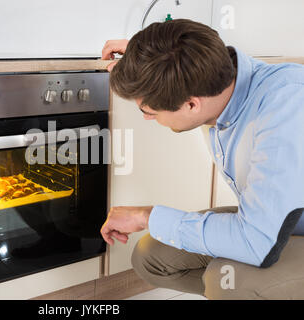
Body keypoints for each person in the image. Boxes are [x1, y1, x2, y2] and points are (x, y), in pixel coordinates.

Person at [100, 19, 304, 299]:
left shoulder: (286, 105)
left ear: (191, 104)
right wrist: (149, 62)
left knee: (229, 281)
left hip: (268, 233)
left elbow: (257, 244)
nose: (148, 118)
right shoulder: (220, 82)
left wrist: (147, 216)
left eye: (148, 110)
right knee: (153, 257)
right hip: (281, 219)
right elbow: (186, 53)